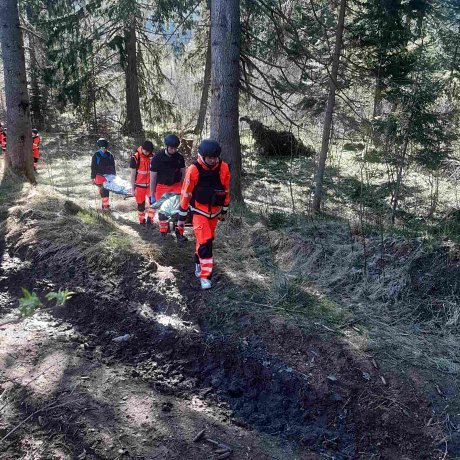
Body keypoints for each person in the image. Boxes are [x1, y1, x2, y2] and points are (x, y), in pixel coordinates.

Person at [177, 139, 230, 289]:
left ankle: (197, 263)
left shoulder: (224, 167)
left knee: (205, 241)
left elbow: (226, 191)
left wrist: (224, 210)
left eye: (215, 157)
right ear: (202, 156)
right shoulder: (193, 170)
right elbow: (186, 194)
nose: (213, 160)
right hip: (199, 212)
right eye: (209, 158)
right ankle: (205, 277)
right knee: (206, 242)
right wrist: (181, 217)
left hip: (215, 212)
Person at [149, 134, 186, 235]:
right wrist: (152, 194)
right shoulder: (157, 158)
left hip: (176, 185)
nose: (173, 150)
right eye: (171, 148)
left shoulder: (179, 158)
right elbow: (153, 177)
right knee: (163, 213)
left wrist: (183, 187)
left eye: (175, 148)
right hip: (162, 187)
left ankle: (179, 233)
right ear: (166, 146)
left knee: (178, 210)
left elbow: (183, 172)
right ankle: (164, 232)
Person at [130, 140, 155, 226]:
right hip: (139, 187)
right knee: (141, 206)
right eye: (146, 151)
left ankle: (150, 220)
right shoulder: (135, 158)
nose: (147, 153)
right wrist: (132, 189)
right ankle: (142, 221)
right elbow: (133, 175)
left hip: (150, 186)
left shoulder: (153, 156)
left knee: (153, 204)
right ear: (142, 148)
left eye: (149, 152)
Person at [90, 138, 116, 211]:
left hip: (108, 176)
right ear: (99, 147)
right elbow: (93, 167)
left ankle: (105, 206)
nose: (104, 149)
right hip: (99, 176)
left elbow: (113, 166)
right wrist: (92, 178)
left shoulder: (110, 155)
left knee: (106, 192)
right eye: (102, 148)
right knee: (103, 191)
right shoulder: (96, 155)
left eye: (105, 148)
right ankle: (105, 207)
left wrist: (114, 176)